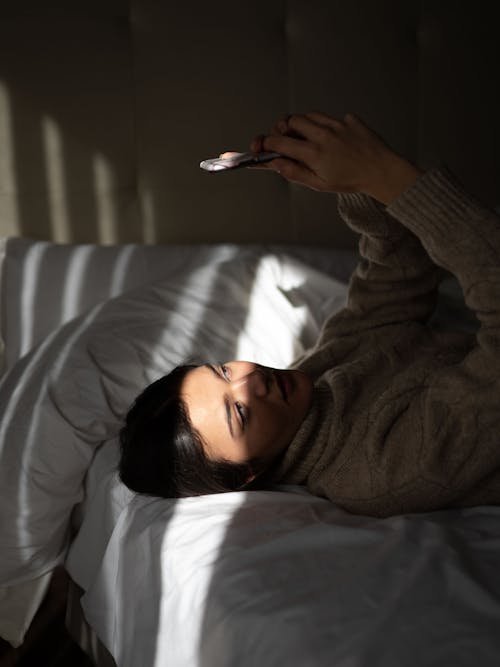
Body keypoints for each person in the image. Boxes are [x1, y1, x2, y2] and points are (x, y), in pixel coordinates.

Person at [119, 111, 500, 517]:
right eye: (239, 412)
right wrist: (388, 177)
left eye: (224, 372)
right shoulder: (381, 469)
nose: (252, 380)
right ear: (249, 473)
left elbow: (396, 281)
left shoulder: (311, 386)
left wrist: (349, 183)